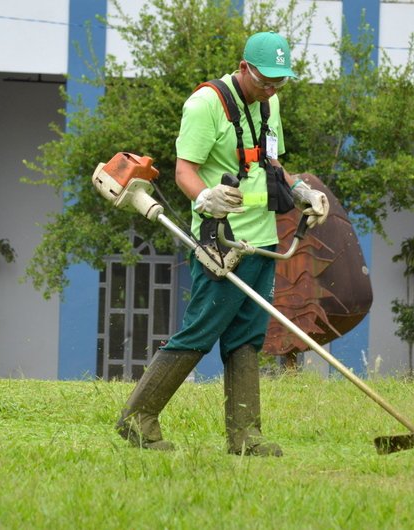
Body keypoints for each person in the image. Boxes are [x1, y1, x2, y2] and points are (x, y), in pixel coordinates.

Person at [116, 31, 329, 457]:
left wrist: (302, 189)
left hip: (263, 239)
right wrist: (203, 197)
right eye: (265, 80)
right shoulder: (205, 104)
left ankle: (245, 436)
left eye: (279, 82)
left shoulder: (270, 103)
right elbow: (184, 171)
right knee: (202, 327)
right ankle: (136, 419)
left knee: (247, 335)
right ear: (245, 67)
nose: (272, 88)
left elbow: (271, 163)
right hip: (221, 239)